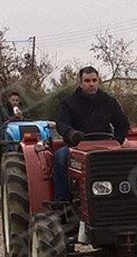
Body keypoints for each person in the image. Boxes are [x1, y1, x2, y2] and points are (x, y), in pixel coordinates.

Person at [53, 66, 130, 201]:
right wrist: (71, 133)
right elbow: (61, 123)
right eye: (87, 81)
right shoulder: (68, 103)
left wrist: (118, 141)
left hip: (106, 145)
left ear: (98, 81)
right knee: (60, 157)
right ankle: (63, 201)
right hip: (76, 146)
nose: (91, 84)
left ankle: (125, 196)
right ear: (80, 83)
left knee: (130, 159)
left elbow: (122, 123)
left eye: (94, 80)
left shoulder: (108, 101)